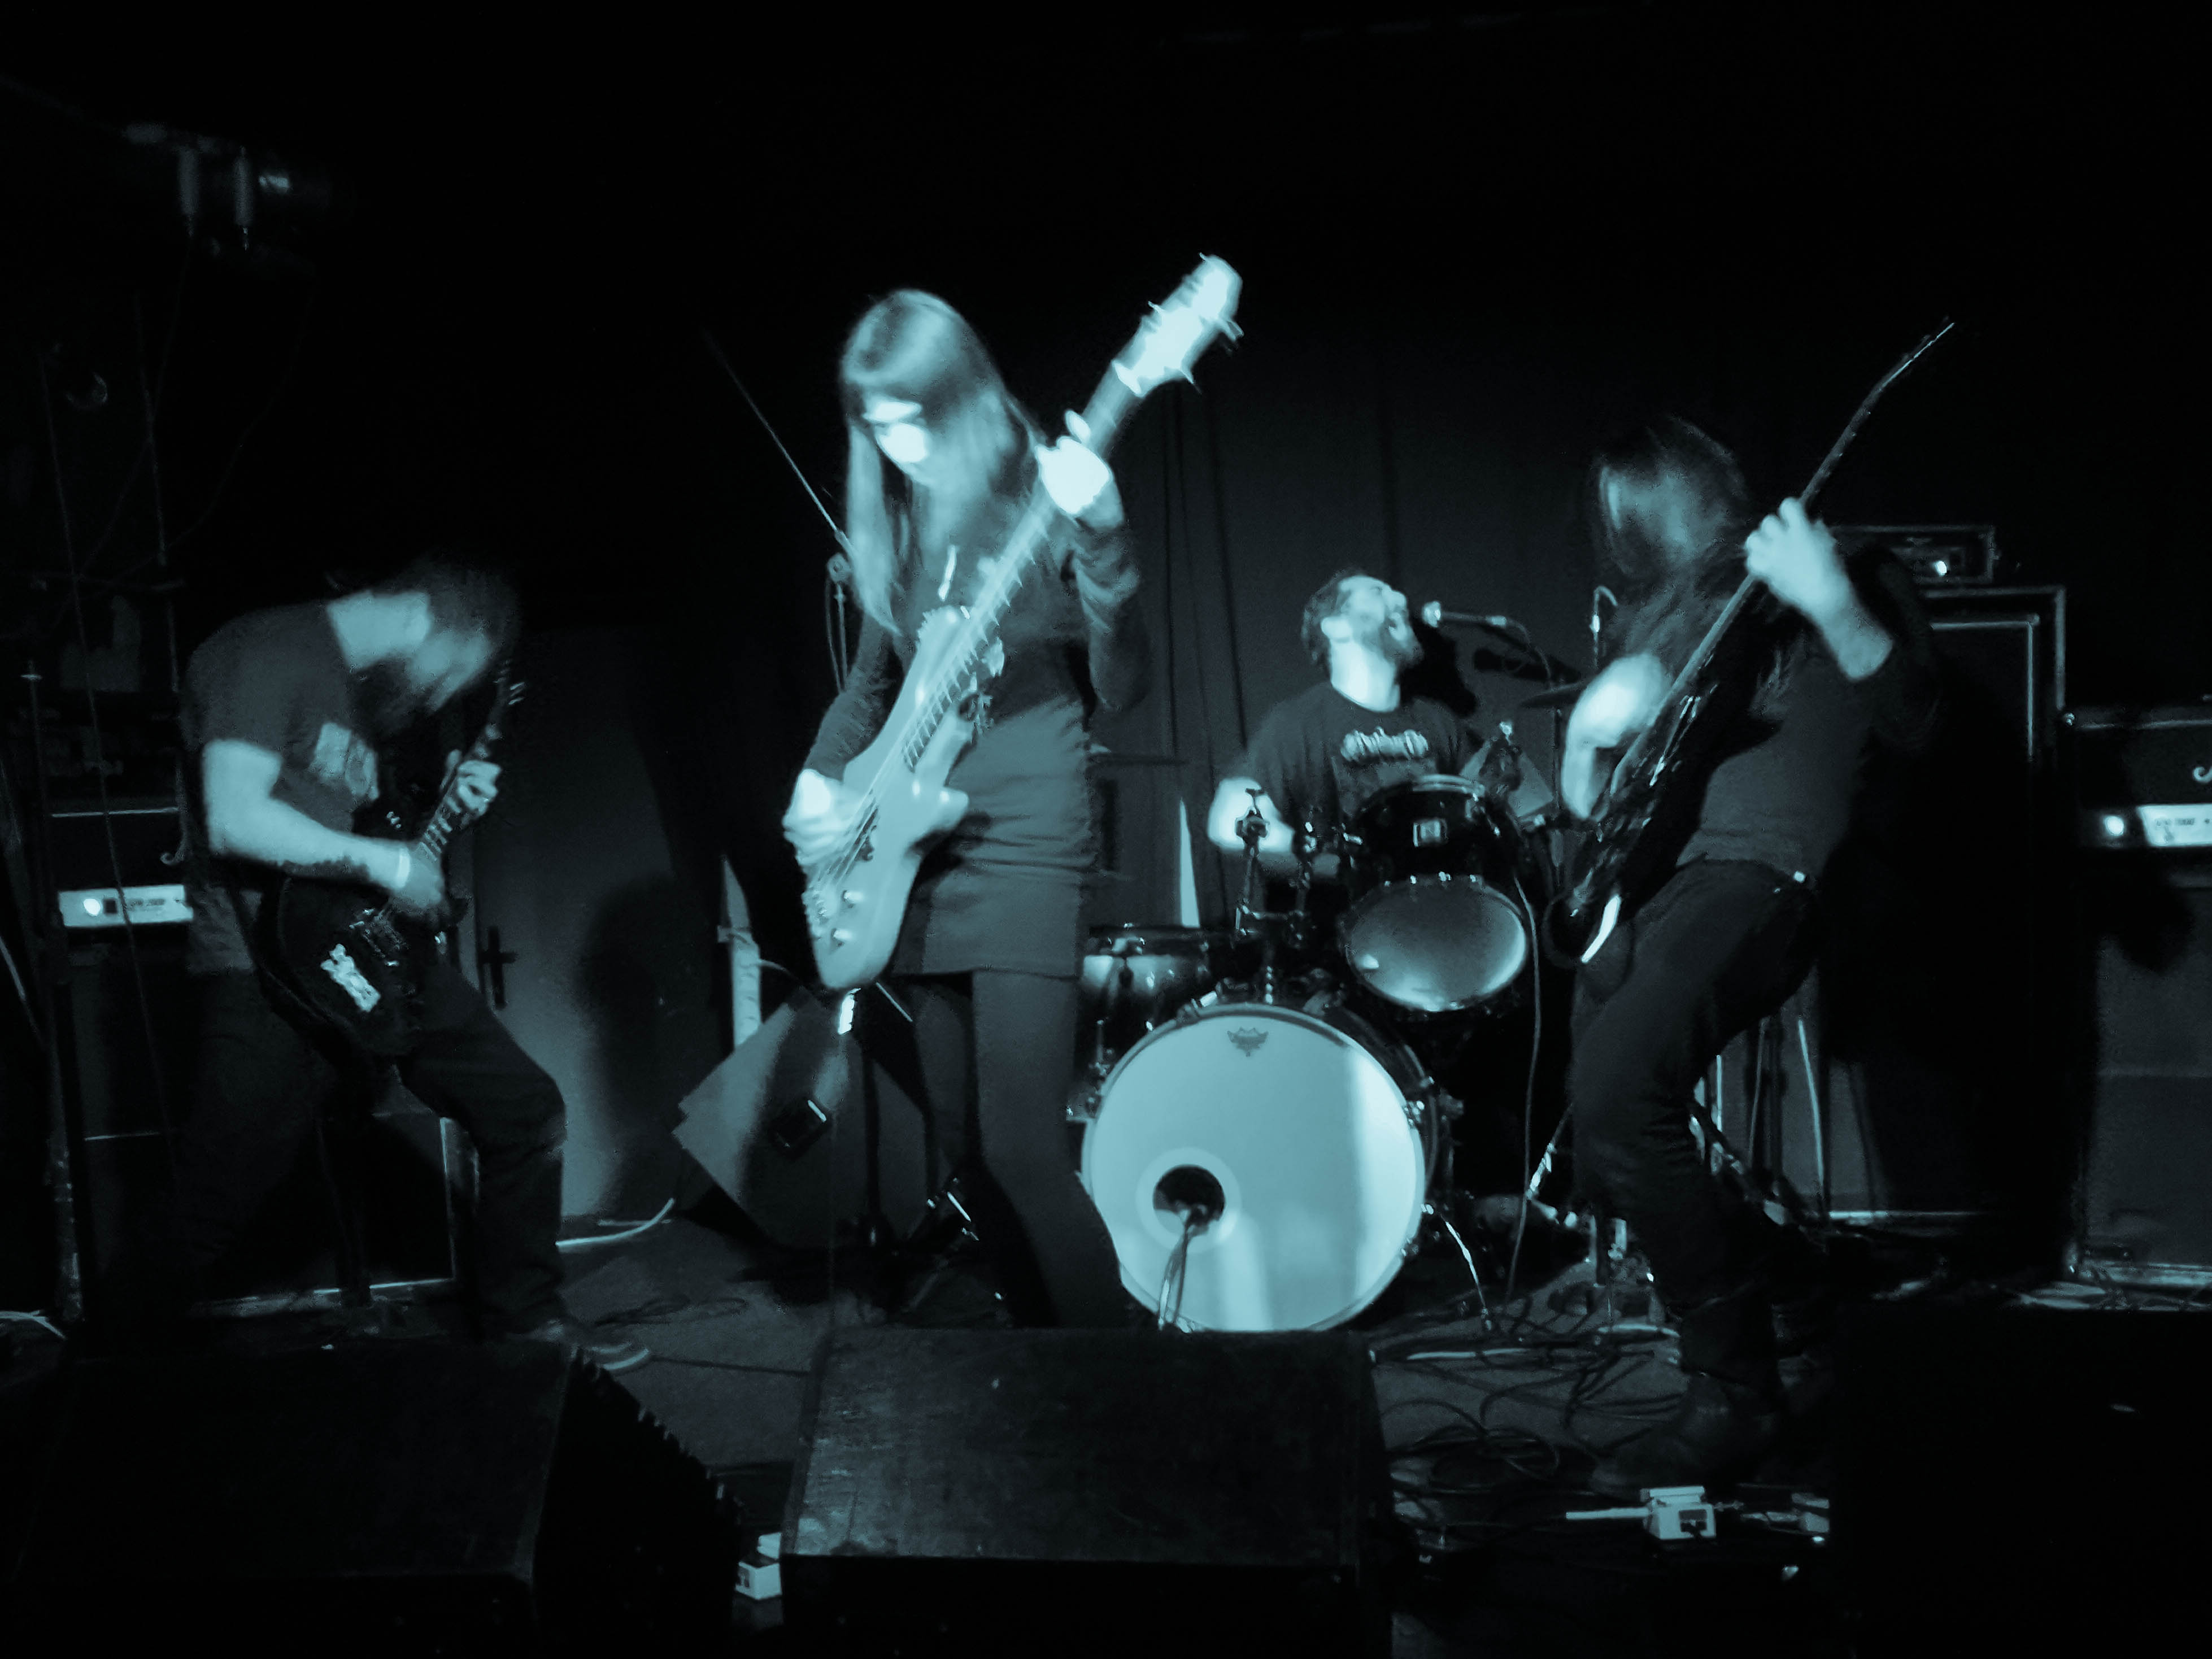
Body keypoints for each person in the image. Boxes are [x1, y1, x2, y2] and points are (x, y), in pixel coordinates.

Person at [121, 552, 648, 1371]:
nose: (444, 695)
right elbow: (234, 819)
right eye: (457, 671)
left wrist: (441, 816)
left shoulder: (356, 699)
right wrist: (391, 864)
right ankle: (98, 1374)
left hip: (364, 957)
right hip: (271, 972)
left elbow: (361, 843)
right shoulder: (264, 651)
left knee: (524, 1110)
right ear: (431, 622)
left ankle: (527, 1328)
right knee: (219, 1195)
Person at [1561, 417, 1940, 1496]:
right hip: (1656, 890)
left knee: (1620, 1092)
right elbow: (1596, 806)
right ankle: (1799, 1279)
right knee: (1601, 1146)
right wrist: (1588, 732)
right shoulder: (1646, 617)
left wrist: (1827, 597)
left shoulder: (1833, 561)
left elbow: (1918, 721)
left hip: (1766, 869)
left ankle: (1736, 1393)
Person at [781, 290, 1147, 1329]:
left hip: (1027, 842)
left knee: (1025, 1150)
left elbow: (1124, 685)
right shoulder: (900, 524)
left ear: (964, 393)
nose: (898, 445)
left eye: (914, 418)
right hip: (917, 854)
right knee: (966, 1151)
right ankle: (1045, 1370)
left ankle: (1134, 1384)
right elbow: (871, 689)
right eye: (877, 426)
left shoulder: (1044, 495)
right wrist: (817, 777)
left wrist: (1107, 538)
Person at [1206, 569, 1477, 873]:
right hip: (1344, 901)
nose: (1401, 599)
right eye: (1377, 592)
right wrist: (1334, 867)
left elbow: (1499, 809)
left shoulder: (1440, 722)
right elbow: (1227, 823)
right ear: (1336, 627)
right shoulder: (1297, 724)